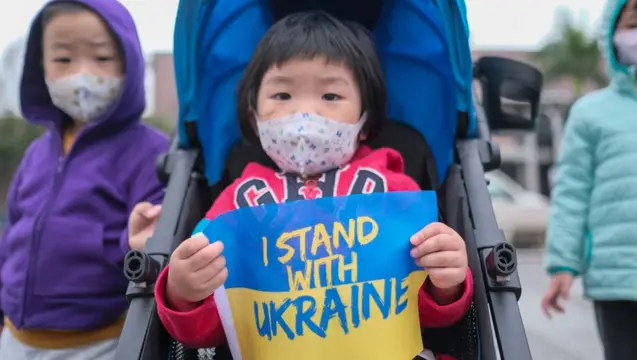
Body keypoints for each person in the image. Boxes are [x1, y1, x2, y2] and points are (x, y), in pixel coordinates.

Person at [148, 12, 473, 360]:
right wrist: (184, 293)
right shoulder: (236, 205)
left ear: (365, 119)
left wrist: (447, 283)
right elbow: (212, 330)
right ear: (253, 116)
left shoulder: (395, 193)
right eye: (282, 95)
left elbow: (427, 317)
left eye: (330, 96)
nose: (304, 113)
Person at [0, 1, 168, 359]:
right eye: (63, 60)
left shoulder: (150, 150)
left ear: (130, 63)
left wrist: (136, 241)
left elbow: (153, 236)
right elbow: (12, 231)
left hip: (98, 345)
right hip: (14, 340)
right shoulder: (36, 153)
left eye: (102, 58)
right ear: (40, 68)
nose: (83, 73)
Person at [541, 1, 637, 359]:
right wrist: (563, 264)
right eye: (633, 23)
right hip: (617, 283)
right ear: (612, 34)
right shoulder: (591, 113)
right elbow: (571, 193)